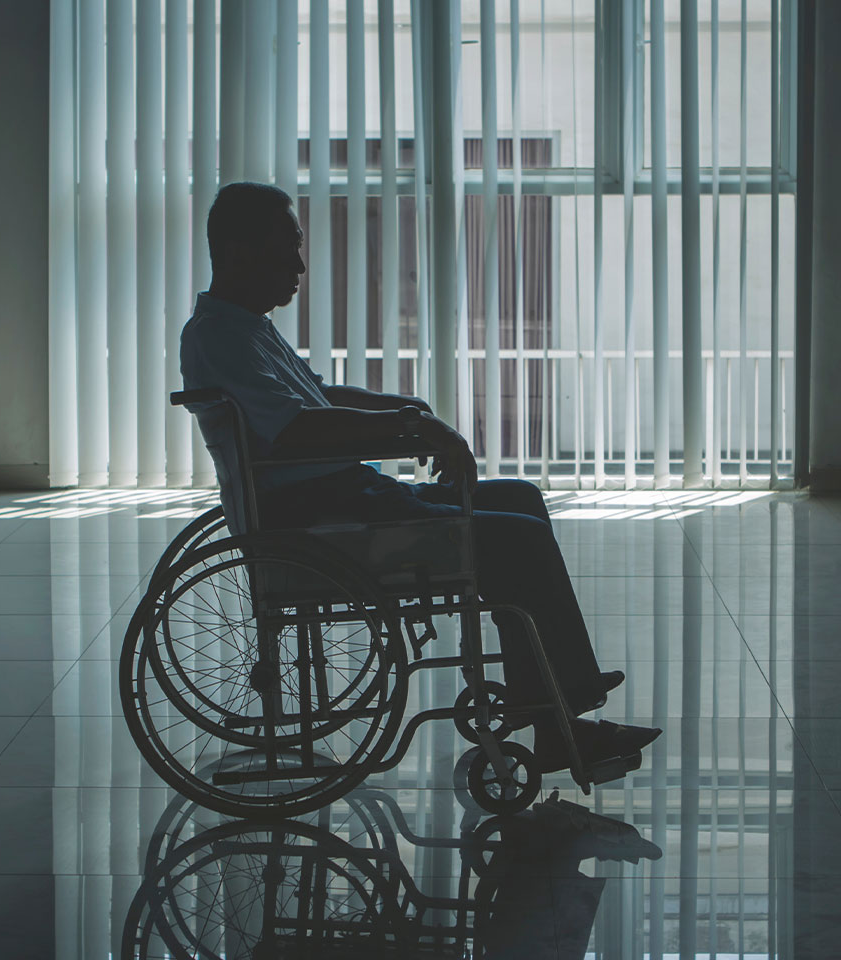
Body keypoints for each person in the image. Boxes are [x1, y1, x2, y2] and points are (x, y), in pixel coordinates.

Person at [180, 182, 660, 774]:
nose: (299, 264)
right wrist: (411, 426)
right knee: (517, 539)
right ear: (238, 250)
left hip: (341, 498)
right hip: (321, 519)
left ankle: (559, 700)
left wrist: (406, 412)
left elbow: (318, 397)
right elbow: (297, 429)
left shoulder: (246, 328)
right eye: (288, 247)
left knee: (522, 499)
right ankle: (559, 715)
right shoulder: (220, 335)